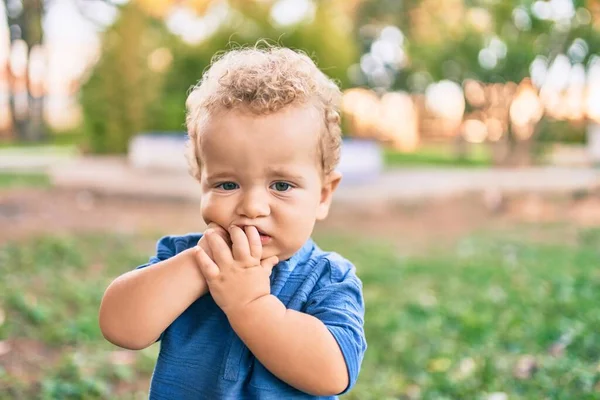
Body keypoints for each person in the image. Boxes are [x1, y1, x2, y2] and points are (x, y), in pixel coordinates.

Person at [98, 45, 367, 399]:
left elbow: (332, 373)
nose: (253, 207)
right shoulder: (186, 258)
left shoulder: (328, 279)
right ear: (201, 184)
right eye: (227, 184)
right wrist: (198, 264)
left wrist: (251, 306)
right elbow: (121, 327)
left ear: (323, 195)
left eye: (281, 185)